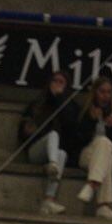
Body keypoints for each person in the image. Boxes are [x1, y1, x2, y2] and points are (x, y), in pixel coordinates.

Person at [19, 71, 79, 216]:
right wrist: (27, 131)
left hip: (57, 152)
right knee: (53, 135)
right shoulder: (36, 104)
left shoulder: (70, 106)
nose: (57, 85)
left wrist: (59, 98)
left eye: (61, 82)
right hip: (37, 151)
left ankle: (48, 200)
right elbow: (23, 130)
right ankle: (53, 163)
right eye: (55, 81)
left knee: (62, 154)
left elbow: (71, 127)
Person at [72, 76, 112, 219]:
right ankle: (103, 206)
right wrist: (92, 121)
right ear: (95, 92)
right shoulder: (84, 111)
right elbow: (78, 139)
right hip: (89, 154)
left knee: (104, 142)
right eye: (102, 92)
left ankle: (91, 184)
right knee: (104, 153)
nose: (106, 96)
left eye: (109, 92)